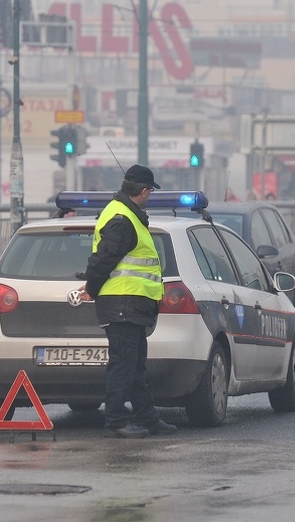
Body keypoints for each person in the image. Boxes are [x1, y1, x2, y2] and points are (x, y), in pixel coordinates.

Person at [77, 164, 177, 439]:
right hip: (122, 301)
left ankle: (147, 418)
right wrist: (92, 289)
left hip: (130, 303)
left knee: (134, 366)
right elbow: (102, 260)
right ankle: (116, 421)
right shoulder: (122, 219)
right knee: (123, 365)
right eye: (149, 192)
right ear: (144, 192)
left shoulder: (125, 214)